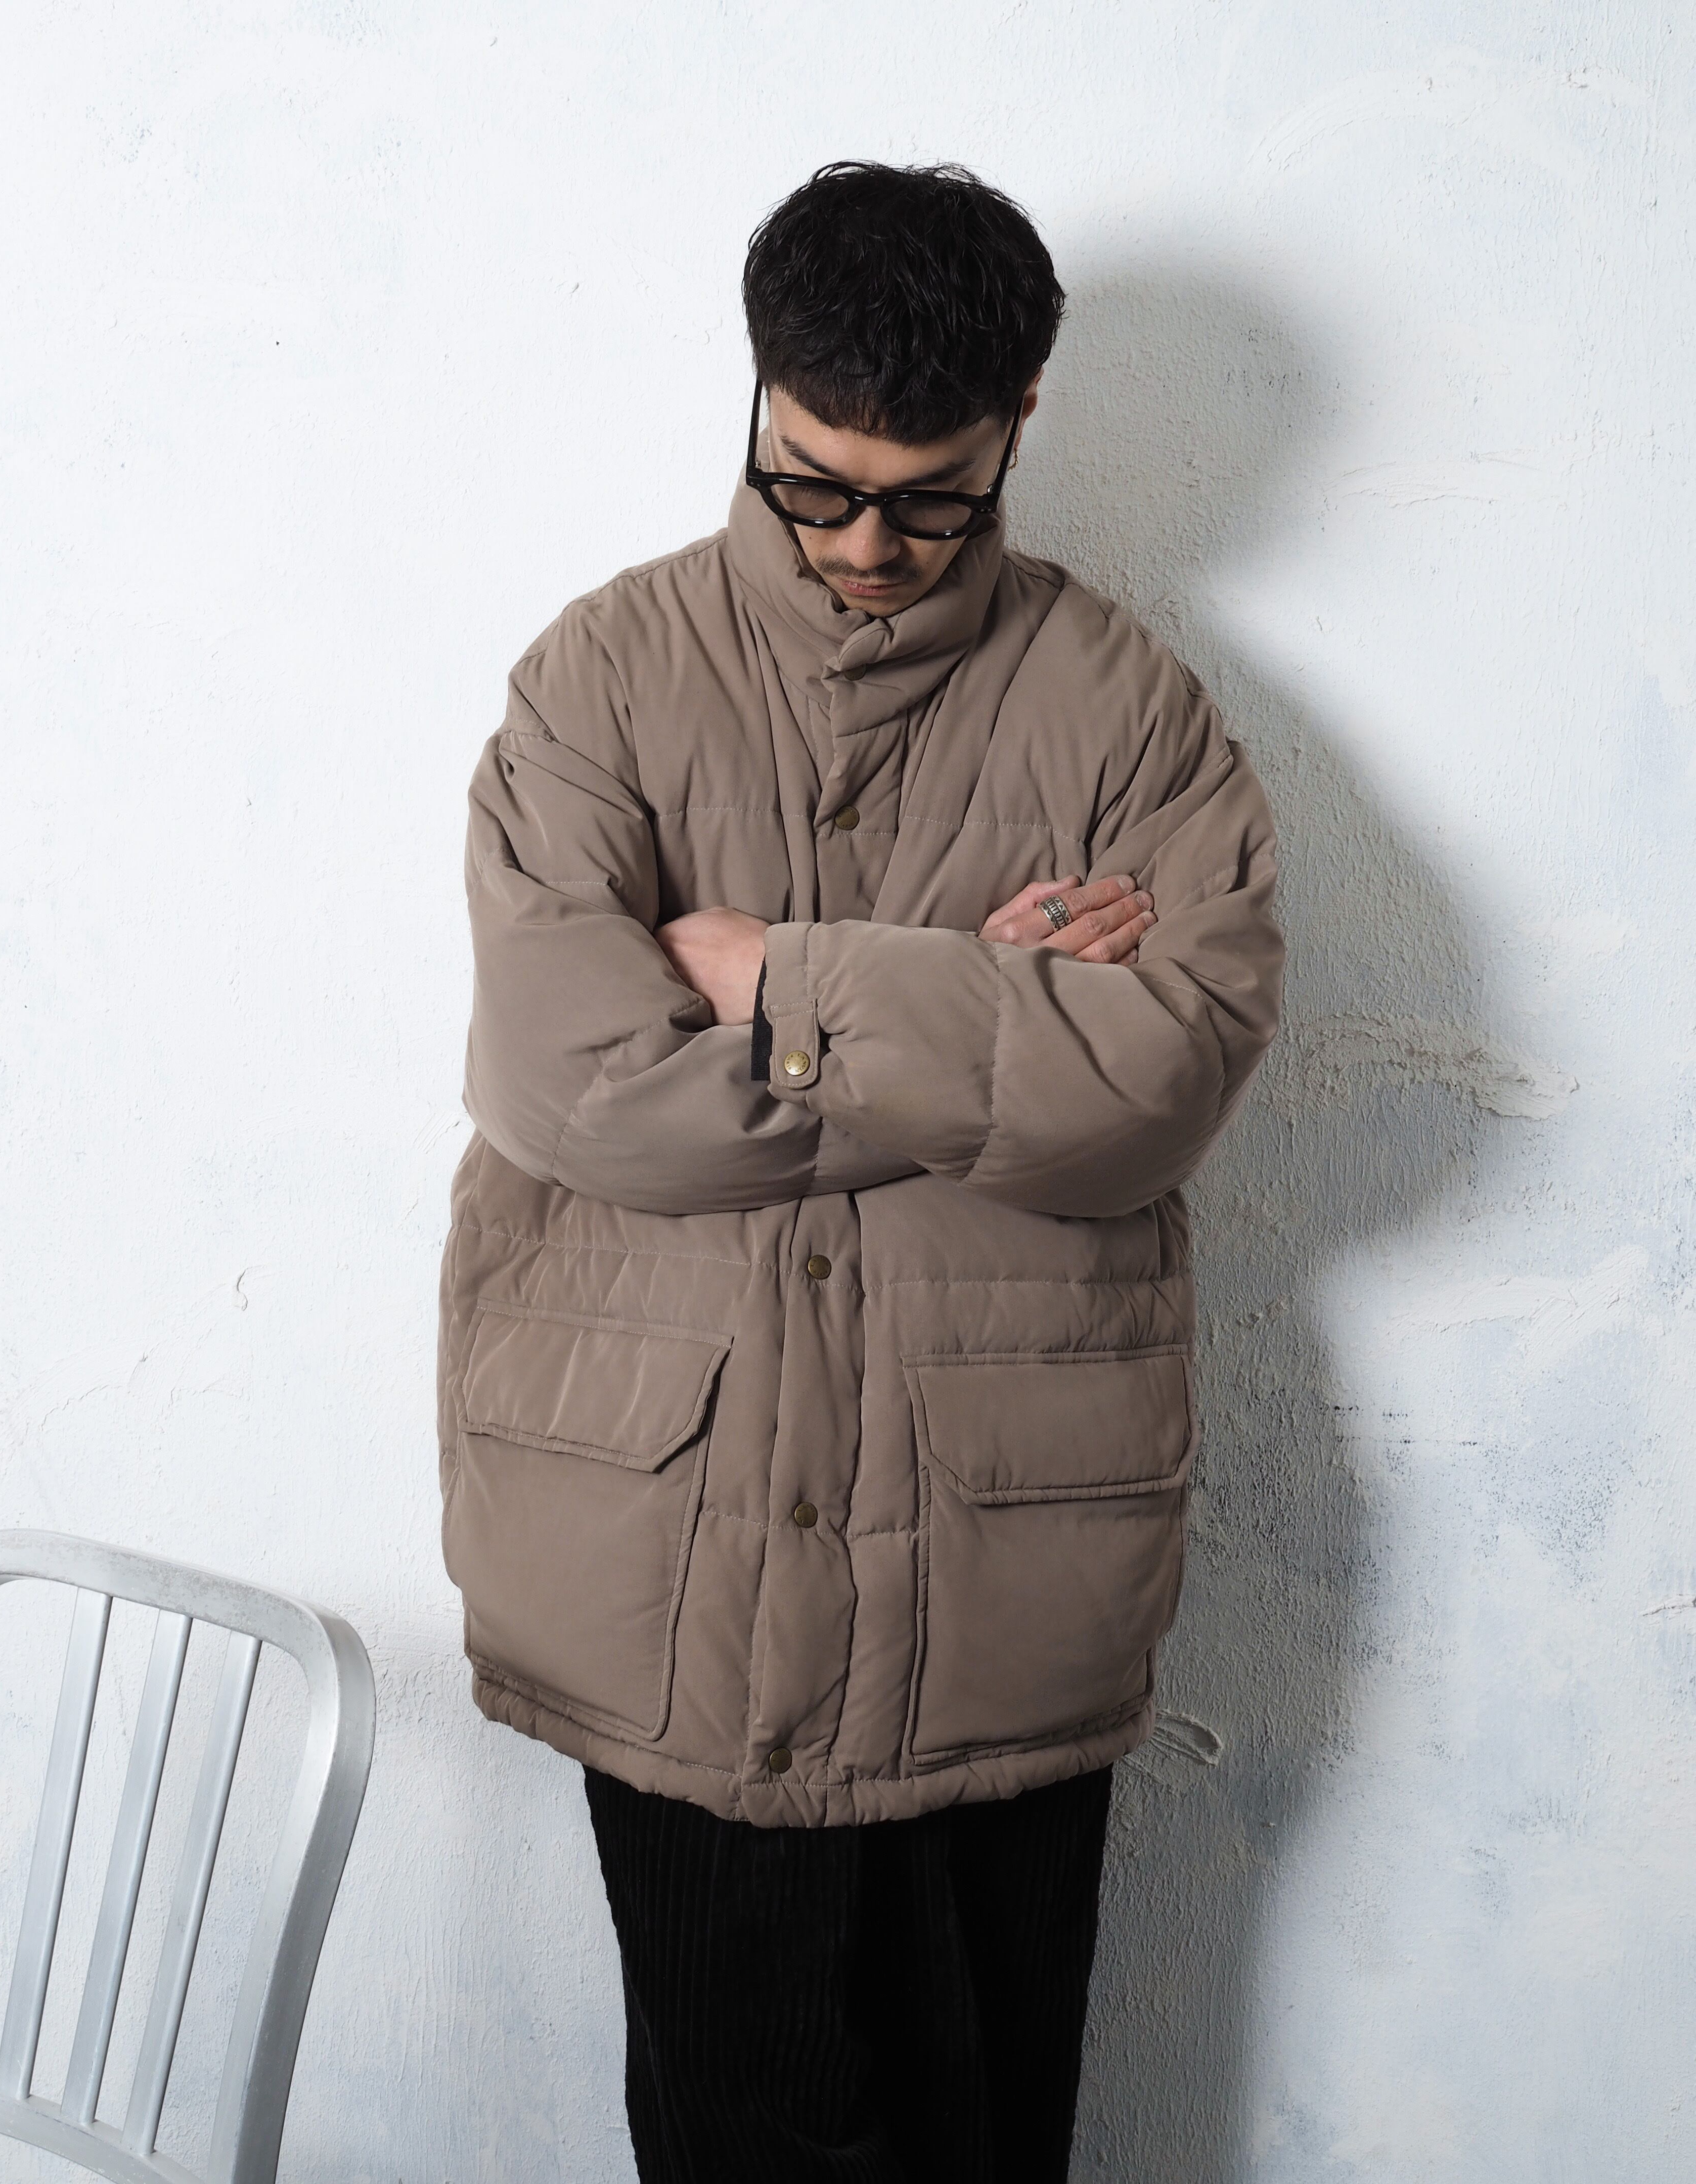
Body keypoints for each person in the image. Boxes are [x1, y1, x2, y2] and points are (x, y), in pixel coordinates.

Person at [438, 160, 1283, 2182]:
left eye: (932, 498)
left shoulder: (1135, 719)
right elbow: (578, 1094)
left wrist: (783, 980)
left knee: (987, 2137)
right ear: (758, 390)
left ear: (1022, 422)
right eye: (811, 485)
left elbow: (1162, 1091)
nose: (866, 545)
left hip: (1003, 1570)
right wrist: (982, 1009)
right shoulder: (599, 683)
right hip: (667, 1564)